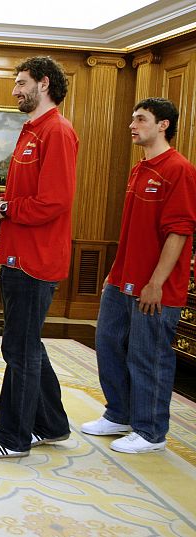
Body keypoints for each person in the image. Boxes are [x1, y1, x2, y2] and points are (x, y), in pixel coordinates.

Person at [0, 56, 77, 459]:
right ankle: (51, 424)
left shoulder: (57, 132)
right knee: (27, 344)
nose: (14, 91)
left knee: (19, 349)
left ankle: (11, 438)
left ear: (43, 84)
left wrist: (5, 208)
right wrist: (5, 205)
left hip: (36, 260)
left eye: (21, 83)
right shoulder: (31, 131)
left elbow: (55, 201)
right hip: (17, 256)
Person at [82, 98, 196, 453]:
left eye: (141, 119)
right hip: (122, 280)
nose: (132, 125)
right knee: (108, 343)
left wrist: (156, 283)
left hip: (155, 286)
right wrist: (113, 275)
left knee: (147, 355)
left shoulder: (179, 170)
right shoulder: (138, 169)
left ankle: (151, 432)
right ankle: (119, 413)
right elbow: (132, 231)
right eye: (132, 118)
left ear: (163, 125)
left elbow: (179, 233)